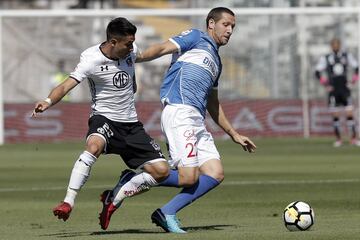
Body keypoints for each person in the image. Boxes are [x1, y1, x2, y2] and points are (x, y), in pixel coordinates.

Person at [101, 7, 256, 233]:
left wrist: (234, 134)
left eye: (233, 26)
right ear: (211, 23)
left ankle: (166, 212)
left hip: (197, 120)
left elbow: (213, 102)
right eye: (226, 24)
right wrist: (137, 57)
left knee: (215, 173)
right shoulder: (195, 37)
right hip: (179, 111)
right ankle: (130, 182)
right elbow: (163, 47)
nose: (230, 30)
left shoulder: (217, 62)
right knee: (188, 177)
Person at [32, 17, 170, 226]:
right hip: (104, 118)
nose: (131, 47)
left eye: (133, 43)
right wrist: (48, 101)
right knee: (93, 146)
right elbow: (66, 85)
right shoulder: (91, 59)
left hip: (131, 124)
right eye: (128, 43)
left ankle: (117, 194)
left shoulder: (131, 52)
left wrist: (176, 45)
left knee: (162, 171)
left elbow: (152, 52)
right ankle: (68, 202)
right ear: (113, 42)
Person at [315, 38, 360, 147]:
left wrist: (353, 81)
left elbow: (357, 68)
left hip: (345, 89)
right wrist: (325, 84)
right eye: (333, 44)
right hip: (333, 90)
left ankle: (353, 138)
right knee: (335, 115)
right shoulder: (326, 58)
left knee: (349, 114)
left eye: (337, 44)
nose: (335, 46)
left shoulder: (346, 56)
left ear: (340, 45)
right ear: (331, 46)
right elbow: (317, 72)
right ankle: (338, 139)